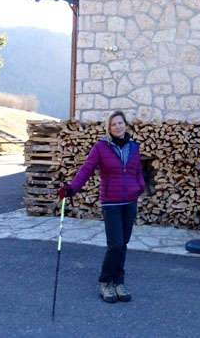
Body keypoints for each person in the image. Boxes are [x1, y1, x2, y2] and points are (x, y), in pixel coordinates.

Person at [59, 110, 145, 303]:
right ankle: (105, 281)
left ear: (126, 124)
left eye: (120, 123)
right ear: (109, 128)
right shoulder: (101, 147)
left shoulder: (134, 147)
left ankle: (119, 281)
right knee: (115, 245)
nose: (118, 126)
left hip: (130, 202)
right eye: (114, 124)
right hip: (111, 203)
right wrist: (72, 188)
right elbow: (86, 170)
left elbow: (138, 171)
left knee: (123, 244)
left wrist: (140, 187)